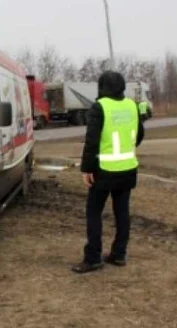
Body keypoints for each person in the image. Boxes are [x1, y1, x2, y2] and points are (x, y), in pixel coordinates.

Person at [72, 71, 145, 274]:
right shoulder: (132, 105)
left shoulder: (100, 107)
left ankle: (93, 257)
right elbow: (139, 135)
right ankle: (119, 253)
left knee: (94, 213)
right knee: (122, 212)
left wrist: (86, 168)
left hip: (103, 171)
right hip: (128, 169)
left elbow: (92, 141)